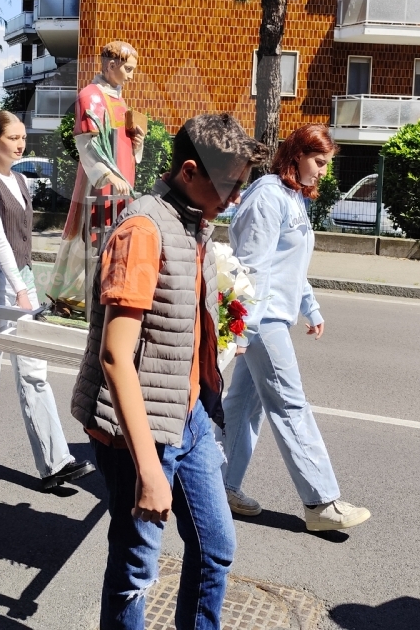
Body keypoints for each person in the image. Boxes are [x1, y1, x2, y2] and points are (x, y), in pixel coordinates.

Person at [71, 114, 267, 630]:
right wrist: (151, 471)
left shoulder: (190, 223)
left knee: (216, 546)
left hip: (187, 416)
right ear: (189, 172)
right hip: (137, 433)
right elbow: (116, 356)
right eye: (230, 185)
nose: (236, 198)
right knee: (137, 567)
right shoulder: (143, 230)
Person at [219, 125, 371, 533]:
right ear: (296, 155)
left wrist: (311, 307)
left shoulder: (291, 197)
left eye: (326, 165)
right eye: (319, 162)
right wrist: (242, 329)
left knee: (242, 408)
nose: (323, 172)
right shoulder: (268, 196)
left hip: (270, 317)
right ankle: (321, 502)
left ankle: (219, 487)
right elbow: (251, 267)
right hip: (262, 320)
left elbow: (291, 266)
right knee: (290, 405)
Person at [0, 111, 94, 488]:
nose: (20, 143)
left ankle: (55, 463)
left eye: (23, 137)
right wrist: (22, 290)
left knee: (34, 372)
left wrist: (29, 283)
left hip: (20, 279)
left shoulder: (22, 180)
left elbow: (23, 240)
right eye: (13, 137)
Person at [47, 41, 146, 305]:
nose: (131, 76)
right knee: (89, 232)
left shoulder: (118, 98)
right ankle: (73, 295)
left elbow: (121, 141)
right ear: (111, 65)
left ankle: (100, 291)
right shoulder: (89, 96)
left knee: (112, 233)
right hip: (99, 182)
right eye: (128, 69)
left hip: (121, 179)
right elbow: (86, 144)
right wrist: (107, 176)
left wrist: (137, 144)